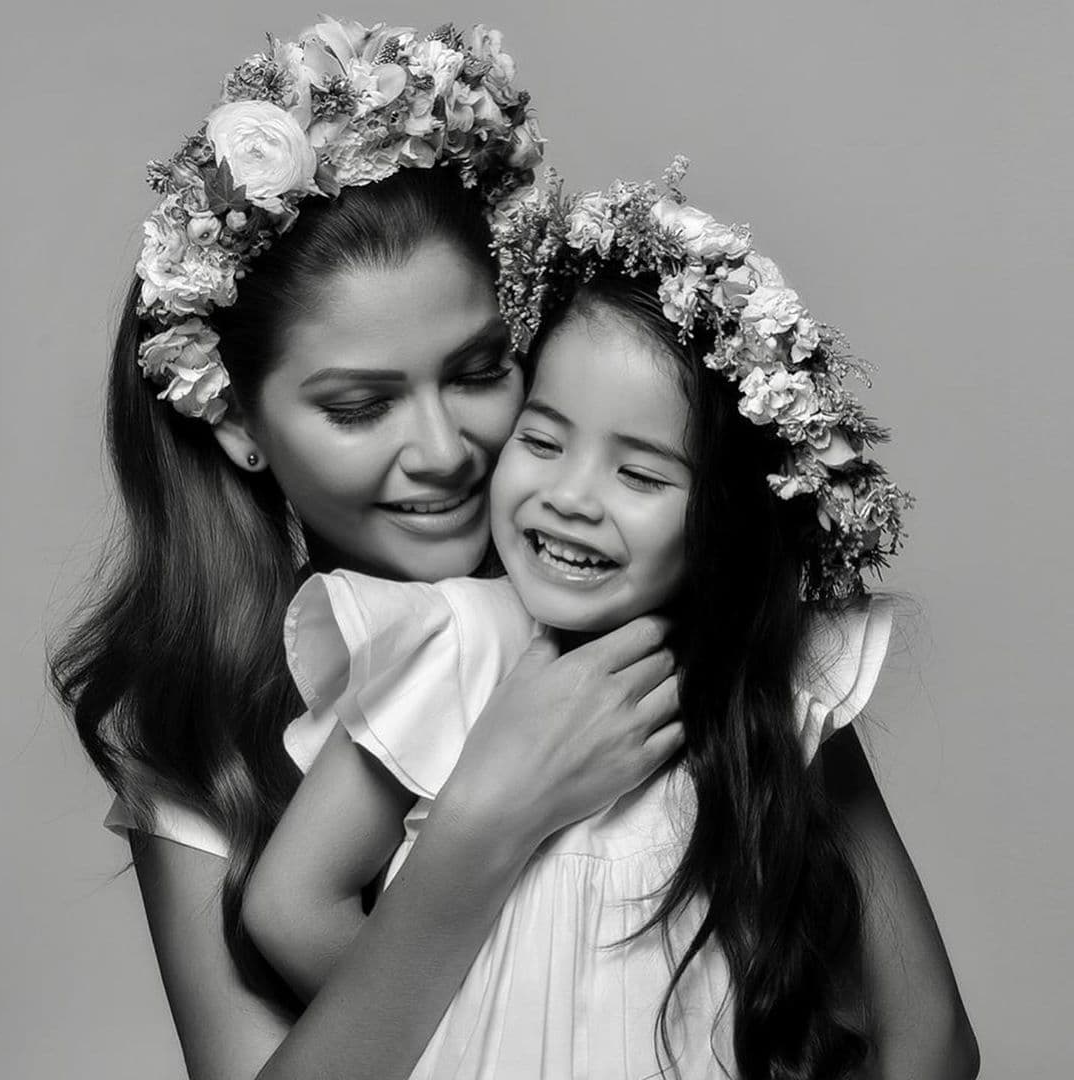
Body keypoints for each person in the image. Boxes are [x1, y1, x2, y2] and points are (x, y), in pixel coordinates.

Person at [47, 17, 974, 1080]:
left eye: (482, 371)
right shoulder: (195, 728)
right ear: (240, 425)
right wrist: (484, 822)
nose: (443, 451)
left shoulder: (685, 617)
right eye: (360, 407)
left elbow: (929, 1041)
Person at [244, 171, 978, 1079]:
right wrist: (461, 1041)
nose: (571, 499)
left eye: (640, 476)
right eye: (542, 441)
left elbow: (933, 1039)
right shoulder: (459, 641)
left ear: (723, 520)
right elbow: (289, 904)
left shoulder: (780, 689)